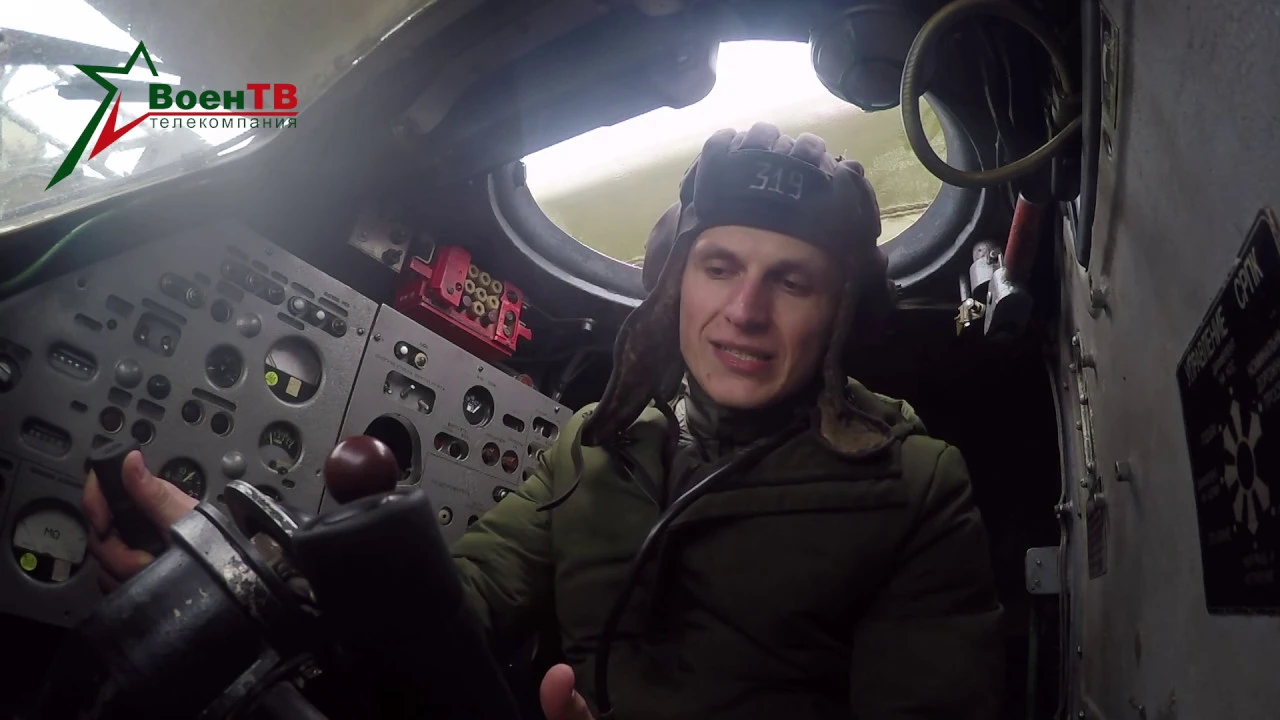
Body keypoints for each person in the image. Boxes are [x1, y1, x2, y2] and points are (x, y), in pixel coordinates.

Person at [84, 123, 1005, 719]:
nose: (745, 312)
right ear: (675, 281)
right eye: (719, 266)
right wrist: (238, 576)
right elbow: (467, 596)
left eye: (791, 281)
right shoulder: (597, 442)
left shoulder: (915, 488)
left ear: (841, 314)